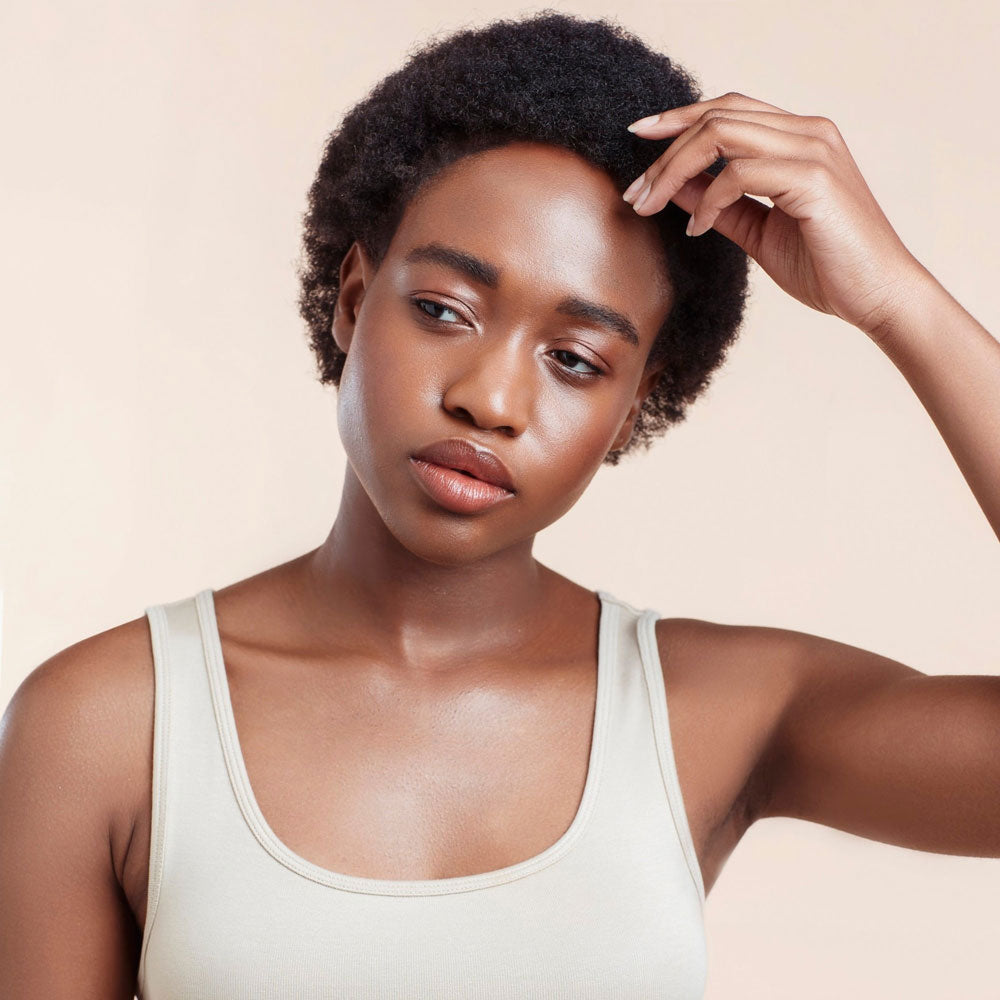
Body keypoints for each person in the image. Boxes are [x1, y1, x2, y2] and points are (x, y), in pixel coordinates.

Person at [1, 10, 998, 999]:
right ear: (353, 299)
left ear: (629, 411)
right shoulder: (111, 722)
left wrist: (896, 299)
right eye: (444, 309)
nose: (490, 398)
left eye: (574, 360)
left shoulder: (720, 711)